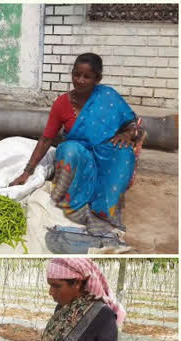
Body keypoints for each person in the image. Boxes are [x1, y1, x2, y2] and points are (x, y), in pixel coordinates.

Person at [9, 53, 144, 233]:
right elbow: (46, 138)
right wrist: (27, 172)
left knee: (124, 152)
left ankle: (104, 208)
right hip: (80, 156)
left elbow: (132, 124)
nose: (79, 80)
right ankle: (76, 204)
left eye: (86, 76)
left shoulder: (108, 95)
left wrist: (128, 134)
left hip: (106, 153)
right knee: (68, 149)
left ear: (98, 79)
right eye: (76, 74)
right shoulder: (62, 103)